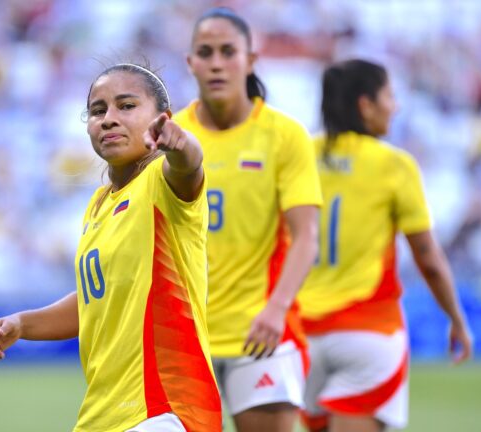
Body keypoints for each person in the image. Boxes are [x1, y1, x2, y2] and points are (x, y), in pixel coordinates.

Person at [0, 63, 222, 432]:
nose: (108, 119)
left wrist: (181, 143)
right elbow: (97, 301)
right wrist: (23, 324)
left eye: (126, 106)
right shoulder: (98, 204)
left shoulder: (163, 183)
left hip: (163, 410)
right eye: (98, 110)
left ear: (162, 118)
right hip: (103, 414)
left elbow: (189, 166)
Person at [298, 59, 473, 432]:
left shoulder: (299, 155)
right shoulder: (394, 164)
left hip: (301, 337)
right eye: (389, 96)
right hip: (368, 331)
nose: (395, 106)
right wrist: (456, 319)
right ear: (366, 105)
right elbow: (427, 258)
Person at [175, 7, 322, 432]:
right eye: (205, 52)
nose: (217, 63)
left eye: (228, 51)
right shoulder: (169, 136)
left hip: (263, 334)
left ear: (250, 60)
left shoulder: (283, 135)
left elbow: (306, 236)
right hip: (185, 339)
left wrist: (276, 309)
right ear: (190, 63)